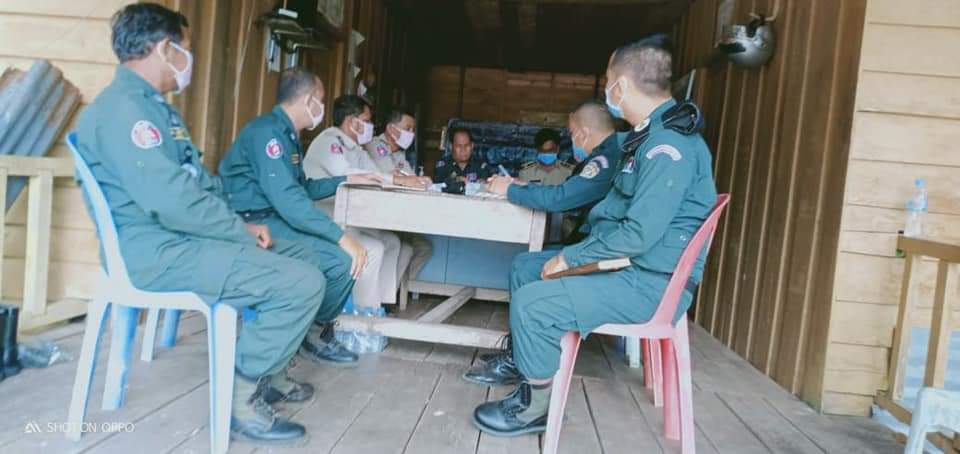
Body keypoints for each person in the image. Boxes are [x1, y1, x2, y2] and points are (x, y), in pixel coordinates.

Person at [77, 4, 324, 443]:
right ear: (163, 49)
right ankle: (242, 400)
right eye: (185, 50)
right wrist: (237, 232)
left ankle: (271, 370)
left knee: (305, 257)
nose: (188, 60)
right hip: (159, 252)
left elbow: (196, 182)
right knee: (301, 284)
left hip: (185, 238)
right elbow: (172, 200)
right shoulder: (125, 111)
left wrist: (239, 225)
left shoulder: (154, 109)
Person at [471, 34, 718, 437]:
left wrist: (571, 258)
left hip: (649, 283)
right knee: (527, 267)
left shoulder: (667, 148)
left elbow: (637, 235)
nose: (607, 90)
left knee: (534, 304)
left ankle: (534, 408)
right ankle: (527, 365)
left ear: (622, 85)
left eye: (607, 80)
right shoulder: (648, 137)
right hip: (632, 269)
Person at [219, 68, 383, 367]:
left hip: (275, 218)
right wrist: (341, 237)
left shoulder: (287, 134)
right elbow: (290, 202)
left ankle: (309, 331)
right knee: (343, 259)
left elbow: (301, 188)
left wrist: (347, 179)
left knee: (342, 259)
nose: (322, 109)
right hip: (254, 224)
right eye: (321, 100)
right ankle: (311, 333)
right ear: (308, 101)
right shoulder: (268, 134)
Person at [467, 100, 622, 385]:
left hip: (600, 257)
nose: (572, 141)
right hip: (595, 247)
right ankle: (518, 352)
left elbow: (561, 198)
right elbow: (568, 191)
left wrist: (510, 191)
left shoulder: (605, 160)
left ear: (584, 133)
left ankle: (519, 361)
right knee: (526, 263)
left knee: (524, 266)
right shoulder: (611, 153)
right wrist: (522, 186)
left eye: (572, 134)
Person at [303, 95, 425, 312]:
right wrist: (397, 180)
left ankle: (379, 306)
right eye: (367, 121)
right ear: (352, 122)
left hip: (350, 218)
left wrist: (402, 180)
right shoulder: (329, 141)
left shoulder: (356, 149)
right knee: (373, 248)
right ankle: (360, 312)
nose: (370, 127)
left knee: (393, 243)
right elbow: (350, 175)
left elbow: (375, 174)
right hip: (326, 219)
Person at [364, 110, 434, 281]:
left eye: (413, 130)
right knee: (404, 247)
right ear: (391, 129)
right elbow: (391, 177)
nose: (411, 134)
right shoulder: (376, 145)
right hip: (375, 216)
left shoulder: (399, 154)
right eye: (407, 128)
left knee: (423, 247)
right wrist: (408, 180)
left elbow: (412, 179)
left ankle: (394, 288)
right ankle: (389, 289)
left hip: (396, 216)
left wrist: (419, 180)